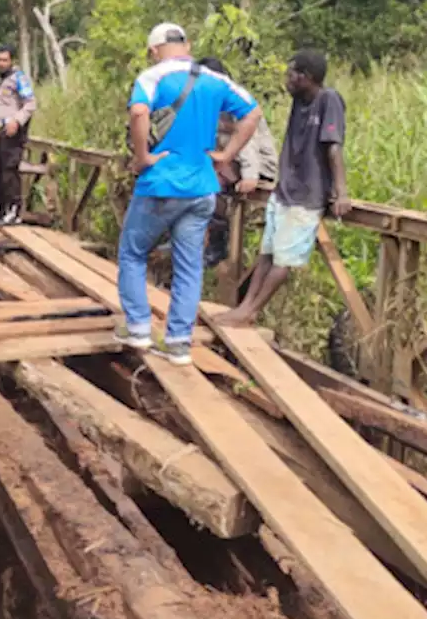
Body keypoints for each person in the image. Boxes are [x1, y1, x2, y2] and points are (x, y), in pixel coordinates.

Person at [117, 23, 263, 364]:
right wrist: (227, 156)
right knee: (189, 265)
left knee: (133, 252)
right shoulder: (216, 80)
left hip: (162, 184)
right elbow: (253, 113)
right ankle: (178, 341)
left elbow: (139, 112)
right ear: (188, 45)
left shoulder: (152, 77)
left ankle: (138, 327)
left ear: (154, 50)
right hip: (202, 188)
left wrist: (142, 157)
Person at [217, 49, 350, 327]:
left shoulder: (329, 100)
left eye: (291, 74)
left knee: (284, 260)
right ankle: (245, 307)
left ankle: (252, 311)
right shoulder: (299, 101)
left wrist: (341, 191)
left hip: (307, 195)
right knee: (266, 253)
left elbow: (334, 147)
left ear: (306, 77)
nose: (286, 80)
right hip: (284, 190)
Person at [196, 56, 278, 266]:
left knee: (211, 182)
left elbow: (247, 140)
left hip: (258, 162)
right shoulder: (208, 100)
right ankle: (185, 238)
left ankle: (217, 244)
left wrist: (251, 175)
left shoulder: (234, 100)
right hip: (230, 160)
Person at [0, 45, 37, 227]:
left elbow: (30, 104)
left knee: (10, 171)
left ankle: (13, 210)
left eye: (4, 60)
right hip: (1, 131)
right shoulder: (0, 80)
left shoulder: (19, 79)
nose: (1, 63)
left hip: (14, 132)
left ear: (12, 61)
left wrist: (17, 120)